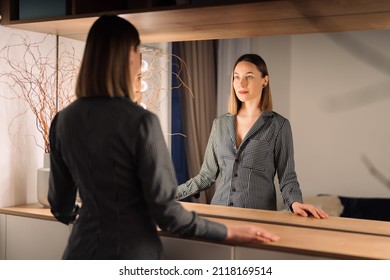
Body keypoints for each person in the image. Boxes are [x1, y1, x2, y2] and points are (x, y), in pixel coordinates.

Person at [48, 15, 279, 260]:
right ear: (128, 56)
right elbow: (167, 214)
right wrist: (227, 232)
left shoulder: (63, 120)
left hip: (78, 253)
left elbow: (61, 207)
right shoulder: (140, 121)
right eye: (138, 52)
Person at [176, 54, 328, 219]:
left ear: (265, 80)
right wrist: (170, 194)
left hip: (259, 218)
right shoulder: (219, 124)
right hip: (218, 216)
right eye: (236, 77)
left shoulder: (279, 125)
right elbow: (206, 176)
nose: (241, 83)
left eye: (249, 77)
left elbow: (287, 177)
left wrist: (295, 203)